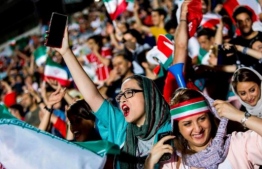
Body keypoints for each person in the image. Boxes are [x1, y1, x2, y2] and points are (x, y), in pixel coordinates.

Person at [45, 22, 171, 169]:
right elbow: (92, 96)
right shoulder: (119, 125)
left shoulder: (169, 125)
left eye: (129, 92)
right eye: (121, 95)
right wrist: (66, 52)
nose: (123, 97)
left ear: (149, 95)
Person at [145, 88, 262, 169]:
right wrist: (149, 164)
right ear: (178, 129)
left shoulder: (238, 144)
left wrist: (240, 115)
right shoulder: (172, 163)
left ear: (210, 118)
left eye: (202, 119)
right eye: (187, 124)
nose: (197, 129)